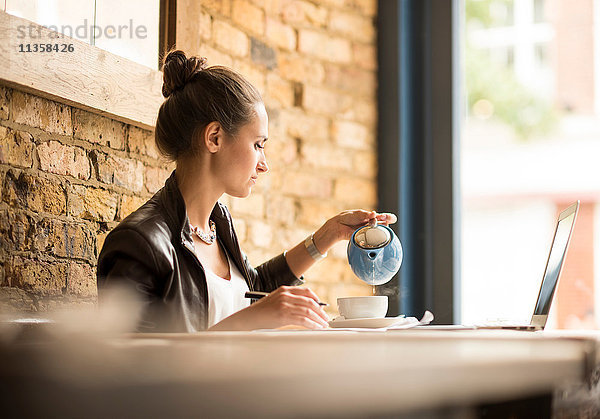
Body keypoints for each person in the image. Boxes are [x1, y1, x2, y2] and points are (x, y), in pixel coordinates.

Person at [96, 50, 397, 332]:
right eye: (258, 145)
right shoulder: (139, 244)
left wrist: (327, 236)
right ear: (214, 137)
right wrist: (249, 320)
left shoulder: (218, 224)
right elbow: (130, 369)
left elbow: (252, 289)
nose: (264, 164)